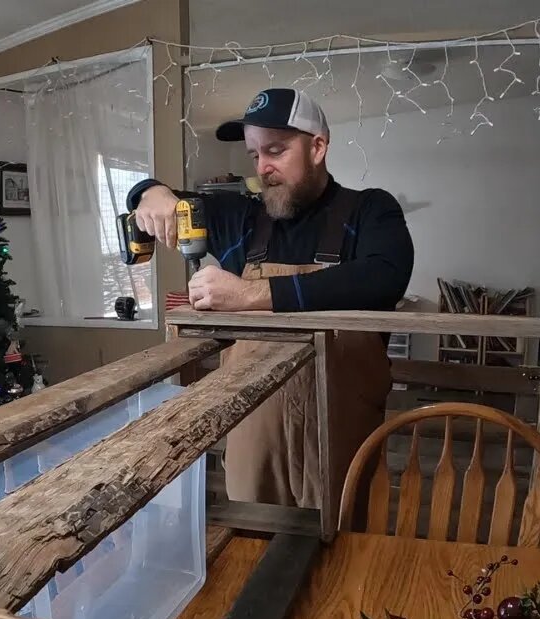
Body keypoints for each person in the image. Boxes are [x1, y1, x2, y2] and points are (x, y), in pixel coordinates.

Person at [127, 87, 414, 521]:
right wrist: (151, 194)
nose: (264, 168)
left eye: (277, 150)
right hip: (253, 431)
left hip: (341, 428)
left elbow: (382, 277)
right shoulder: (242, 218)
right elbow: (153, 197)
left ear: (317, 147)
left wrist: (251, 296)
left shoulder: (370, 210)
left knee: (347, 546)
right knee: (251, 544)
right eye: (255, 155)